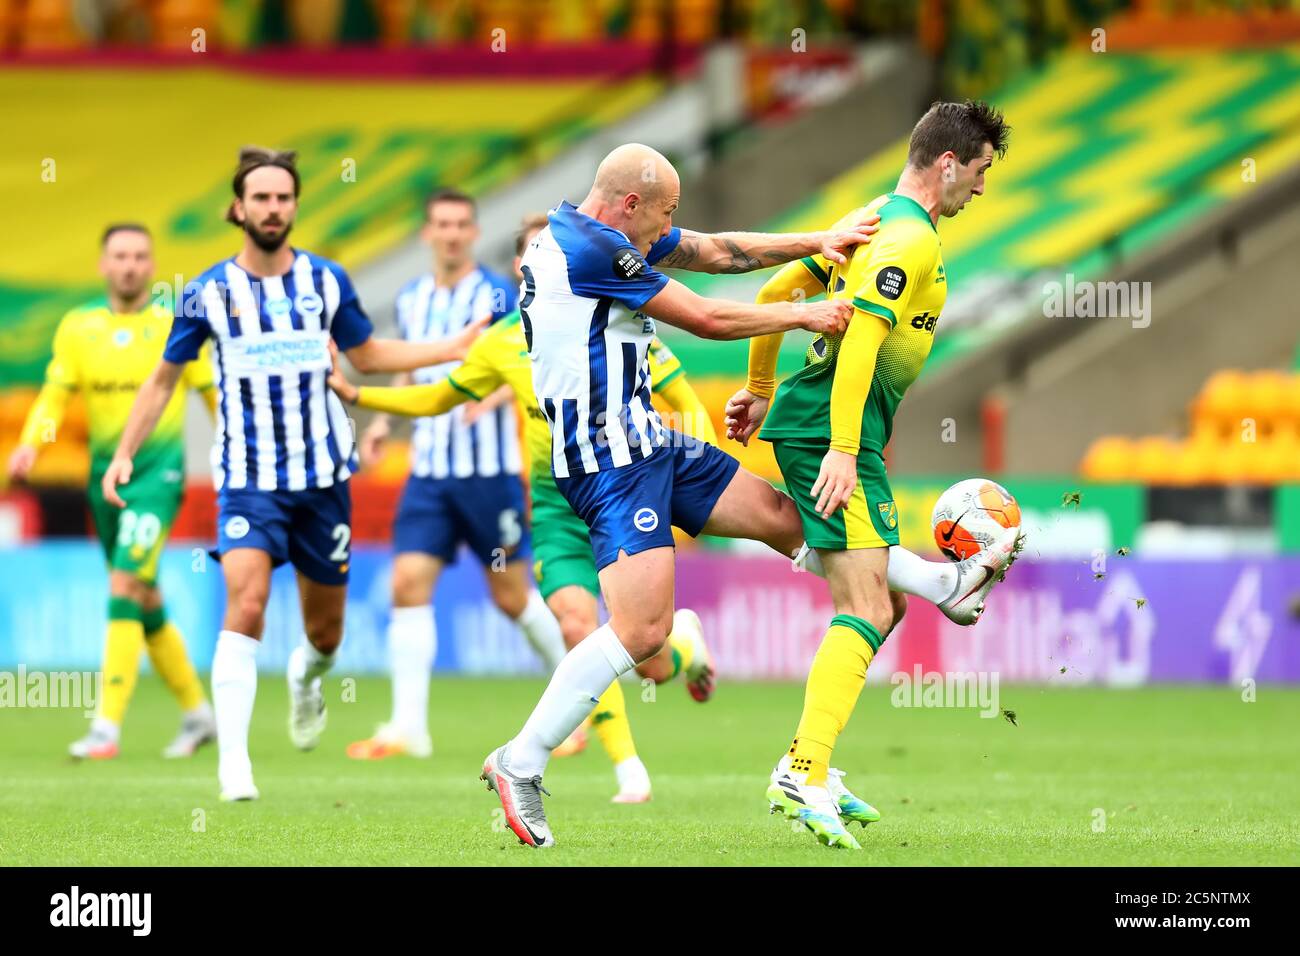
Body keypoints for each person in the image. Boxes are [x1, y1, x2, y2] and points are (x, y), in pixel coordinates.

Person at [479, 142, 881, 847]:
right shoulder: (592, 249)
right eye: (664, 211)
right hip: (609, 462)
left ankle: (943, 581)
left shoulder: (588, 232)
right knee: (643, 634)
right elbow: (707, 318)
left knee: (788, 519)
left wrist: (819, 240)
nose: (672, 225)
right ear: (630, 204)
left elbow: (717, 250)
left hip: (652, 443)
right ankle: (521, 760)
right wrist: (806, 315)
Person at [101, 147, 483, 802]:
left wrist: (448, 348)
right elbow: (163, 379)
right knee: (245, 601)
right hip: (247, 478)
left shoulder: (328, 282)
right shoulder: (207, 292)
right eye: (262, 198)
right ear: (239, 208)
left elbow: (367, 353)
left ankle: (309, 676)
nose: (273, 209)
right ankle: (235, 768)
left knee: (324, 634)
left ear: (294, 206)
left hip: (323, 478)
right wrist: (125, 452)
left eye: (283, 198)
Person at [330, 211, 722, 802]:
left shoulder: (616, 319)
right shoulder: (500, 341)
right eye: (536, 249)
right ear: (521, 266)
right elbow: (439, 395)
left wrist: (700, 467)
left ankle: (684, 644)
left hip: (621, 488)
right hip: (557, 502)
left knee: (651, 660)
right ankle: (628, 769)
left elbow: (681, 394)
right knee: (576, 623)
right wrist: (360, 396)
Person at [730, 100, 1019, 849]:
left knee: (877, 602)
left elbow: (773, 295)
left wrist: (761, 393)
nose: (982, 189)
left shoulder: (868, 221)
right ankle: (803, 768)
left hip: (825, 423)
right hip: (834, 429)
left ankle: (815, 762)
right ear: (949, 163)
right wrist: (844, 446)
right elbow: (862, 337)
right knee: (863, 601)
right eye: (982, 171)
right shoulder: (908, 237)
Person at [347, 190, 563, 762]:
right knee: (406, 585)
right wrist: (382, 427)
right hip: (430, 473)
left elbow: (527, 355)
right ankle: (407, 728)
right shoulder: (413, 297)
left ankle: (578, 704)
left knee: (512, 596)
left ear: (473, 232)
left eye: (461, 225)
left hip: (488, 475)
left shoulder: (498, 292)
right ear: (427, 233)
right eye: (441, 224)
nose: (451, 234)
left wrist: (491, 399)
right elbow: (415, 368)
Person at [8, 223, 216, 760]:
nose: (130, 265)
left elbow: (213, 394)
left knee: (125, 585)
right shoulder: (79, 328)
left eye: (140, 256)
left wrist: (234, 456)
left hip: (160, 472)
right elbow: (55, 396)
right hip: (105, 475)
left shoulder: (177, 323)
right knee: (142, 596)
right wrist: (32, 444)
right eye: (120, 256)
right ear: (103, 264)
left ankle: (105, 727)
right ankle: (197, 714)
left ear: (152, 265)